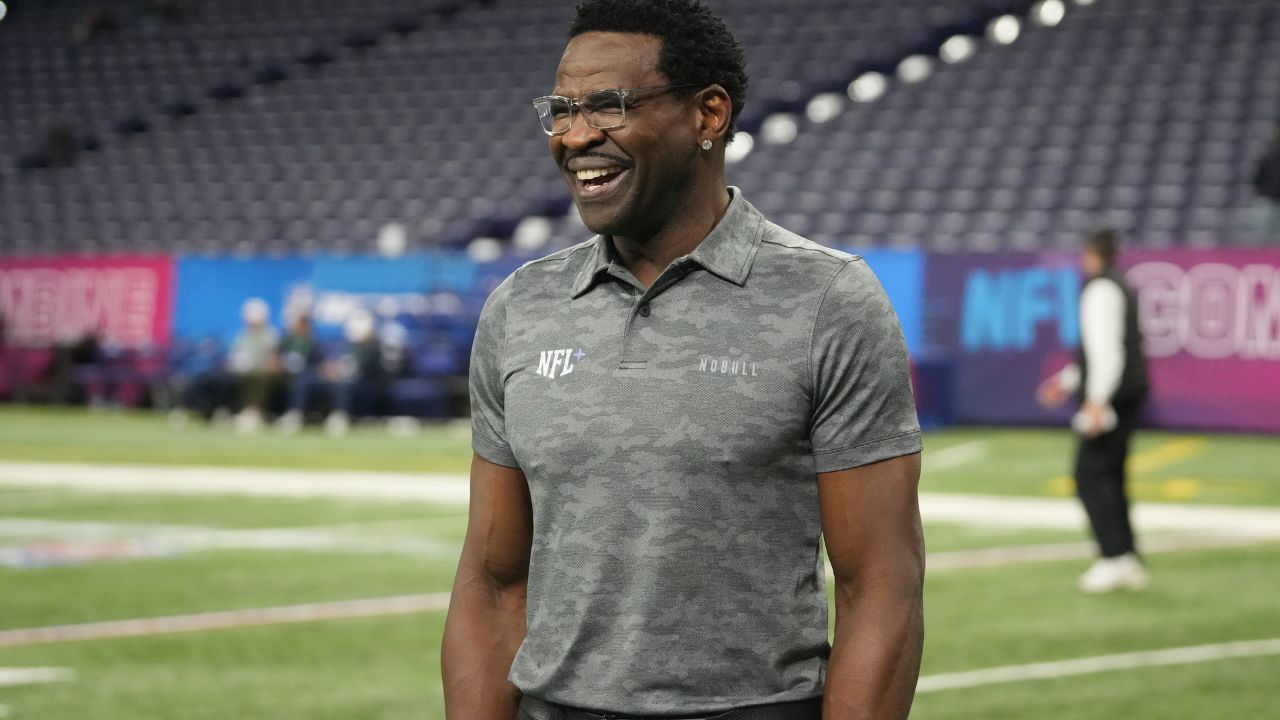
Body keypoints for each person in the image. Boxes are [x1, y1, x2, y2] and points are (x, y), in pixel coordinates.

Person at [441, 2, 924, 718]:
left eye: (607, 105)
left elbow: (879, 587)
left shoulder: (829, 300)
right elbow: (491, 581)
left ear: (709, 115)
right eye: (562, 110)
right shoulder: (521, 307)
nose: (576, 136)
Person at [1037, 229, 1150, 594]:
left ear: (1091, 253)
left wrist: (1097, 400)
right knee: (1112, 477)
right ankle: (1127, 556)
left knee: (1090, 476)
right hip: (1126, 392)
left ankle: (1113, 556)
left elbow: (1107, 350)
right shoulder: (1120, 284)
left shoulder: (1101, 289)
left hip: (1112, 397)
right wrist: (1069, 381)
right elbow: (1103, 352)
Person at [226, 298, 280, 432]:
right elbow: (234, 355)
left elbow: (272, 360)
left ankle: (254, 412)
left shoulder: (271, 335)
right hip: (242, 371)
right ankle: (228, 411)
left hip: (262, 372)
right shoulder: (243, 335)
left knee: (257, 378)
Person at [1251, 122, 1280, 241]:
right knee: (1262, 237)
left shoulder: (1266, 156)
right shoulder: (1266, 157)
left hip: (1271, 200)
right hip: (1267, 200)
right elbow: (1256, 178)